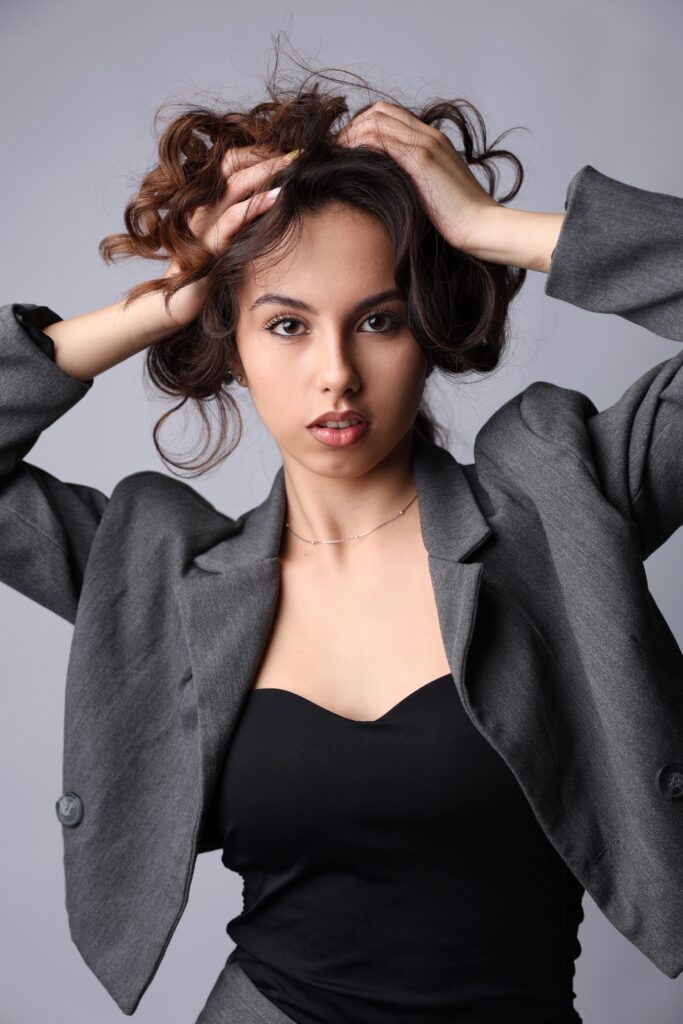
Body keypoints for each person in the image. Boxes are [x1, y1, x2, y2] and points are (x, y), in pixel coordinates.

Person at [3, 59, 682, 1024]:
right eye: (285, 324)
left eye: (378, 320)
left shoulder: (557, 511)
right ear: (232, 346)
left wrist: (491, 229)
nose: (335, 373)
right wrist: (164, 303)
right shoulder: (165, 579)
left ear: (427, 330)